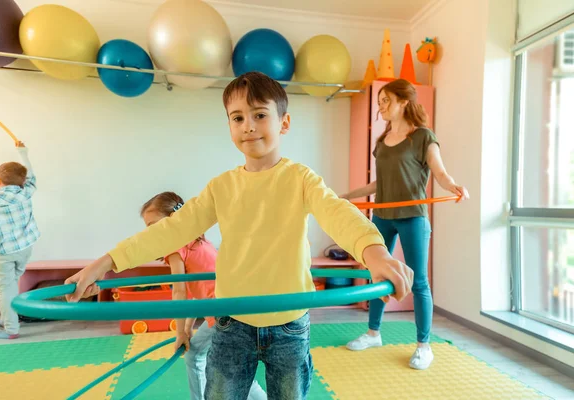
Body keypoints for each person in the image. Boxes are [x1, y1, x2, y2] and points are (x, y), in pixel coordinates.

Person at [64, 71, 414, 399]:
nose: (249, 126)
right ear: (229, 125)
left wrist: (375, 254)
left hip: (289, 324)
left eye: (260, 115)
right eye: (238, 118)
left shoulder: (301, 179)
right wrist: (106, 263)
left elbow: (339, 214)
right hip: (231, 325)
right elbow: (169, 231)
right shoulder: (222, 187)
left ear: (284, 122)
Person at [341, 78, 469, 370]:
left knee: (419, 282)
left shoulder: (423, 136)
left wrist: (455, 187)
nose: (381, 106)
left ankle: (424, 346)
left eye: (386, 100)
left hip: (412, 216)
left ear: (403, 102)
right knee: (377, 276)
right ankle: (373, 333)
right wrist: (348, 195)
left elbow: (440, 172)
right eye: (380, 102)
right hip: (382, 218)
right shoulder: (382, 141)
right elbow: (380, 182)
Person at [139, 191, 266, 400]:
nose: (149, 232)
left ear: (173, 221)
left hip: (221, 314)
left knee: (201, 358)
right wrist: (188, 327)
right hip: (229, 308)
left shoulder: (176, 248)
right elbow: (196, 292)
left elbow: (179, 292)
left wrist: (179, 333)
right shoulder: (197, 241)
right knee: (230, 370)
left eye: (153, 226)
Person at [0, 141, 40, 339]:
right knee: (11, 284)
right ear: (22, 181)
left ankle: (11, 329)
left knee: (5, 289)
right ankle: (6, 318)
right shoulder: (26, 192)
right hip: (25, 248)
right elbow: (32, 176)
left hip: (3, 253)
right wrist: (23, 153)